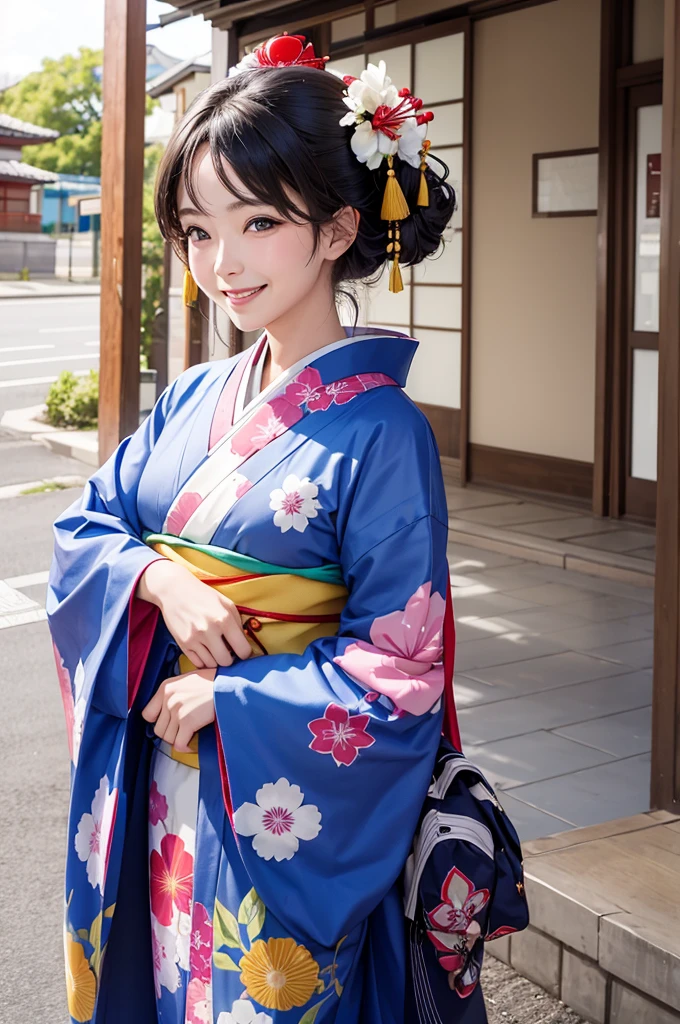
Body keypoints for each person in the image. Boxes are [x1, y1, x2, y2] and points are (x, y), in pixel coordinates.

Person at [48, 33, 469, 1024]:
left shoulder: (381, 432)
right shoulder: (193, 394)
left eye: (258, 221)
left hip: (275, 807)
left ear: (334, 228)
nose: (220, 262)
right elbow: (87, 526)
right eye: (196, 230)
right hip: (157, 797)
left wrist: (232, 700)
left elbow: (401, 669)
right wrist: (161, 583)